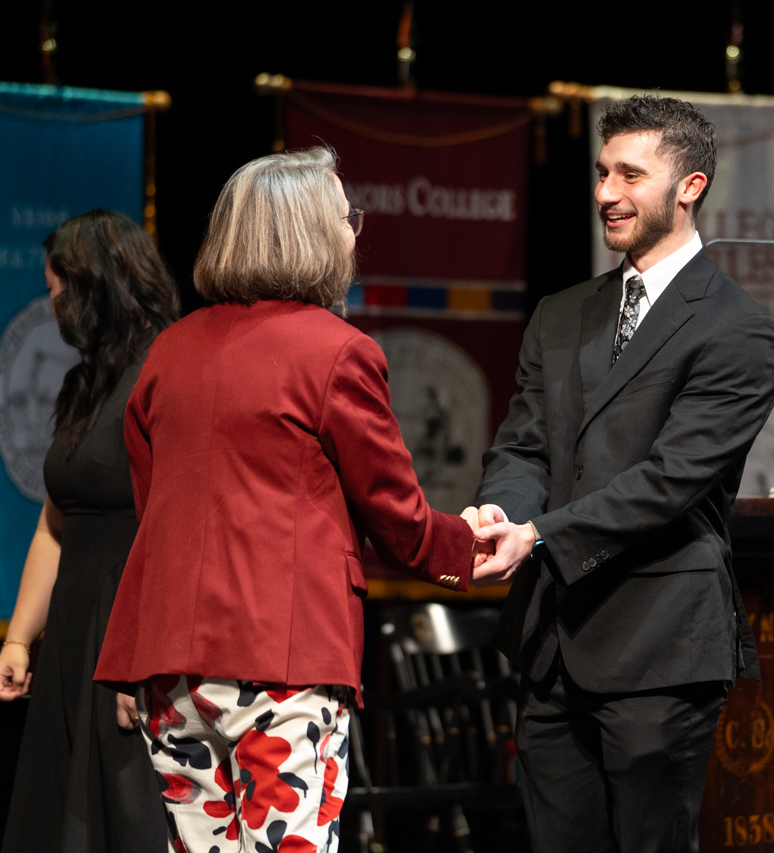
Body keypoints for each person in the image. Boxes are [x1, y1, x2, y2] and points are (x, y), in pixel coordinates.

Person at [91, 148, 494, 852]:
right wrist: (478, 549)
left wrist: (129, 657)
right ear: (310, 232)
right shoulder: (337, 352)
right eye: (348, 217)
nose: (355, 232)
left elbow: (152, 520)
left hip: (172, 672)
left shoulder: (168, 353)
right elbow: (398, 519)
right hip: (283, 664)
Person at [467, 95, 774, 852]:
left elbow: (670, 482)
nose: (607, 192)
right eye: (603, 172)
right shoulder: (562, 312)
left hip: (659, 645)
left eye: (630, 175)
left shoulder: (739, 329)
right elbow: (523, 445)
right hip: (553, 645)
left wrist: (538, 533)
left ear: (690, 186)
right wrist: (502, 514)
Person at [0, 209, 179, 852]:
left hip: (128, 633)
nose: (52, 308)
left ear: (93, 285)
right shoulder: (83, 384)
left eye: (56, 291)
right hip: (75, 631)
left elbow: (178, 531)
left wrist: (144, 656)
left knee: (123, 820)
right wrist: (20, 637)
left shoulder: (166, 373)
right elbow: (55, 524)